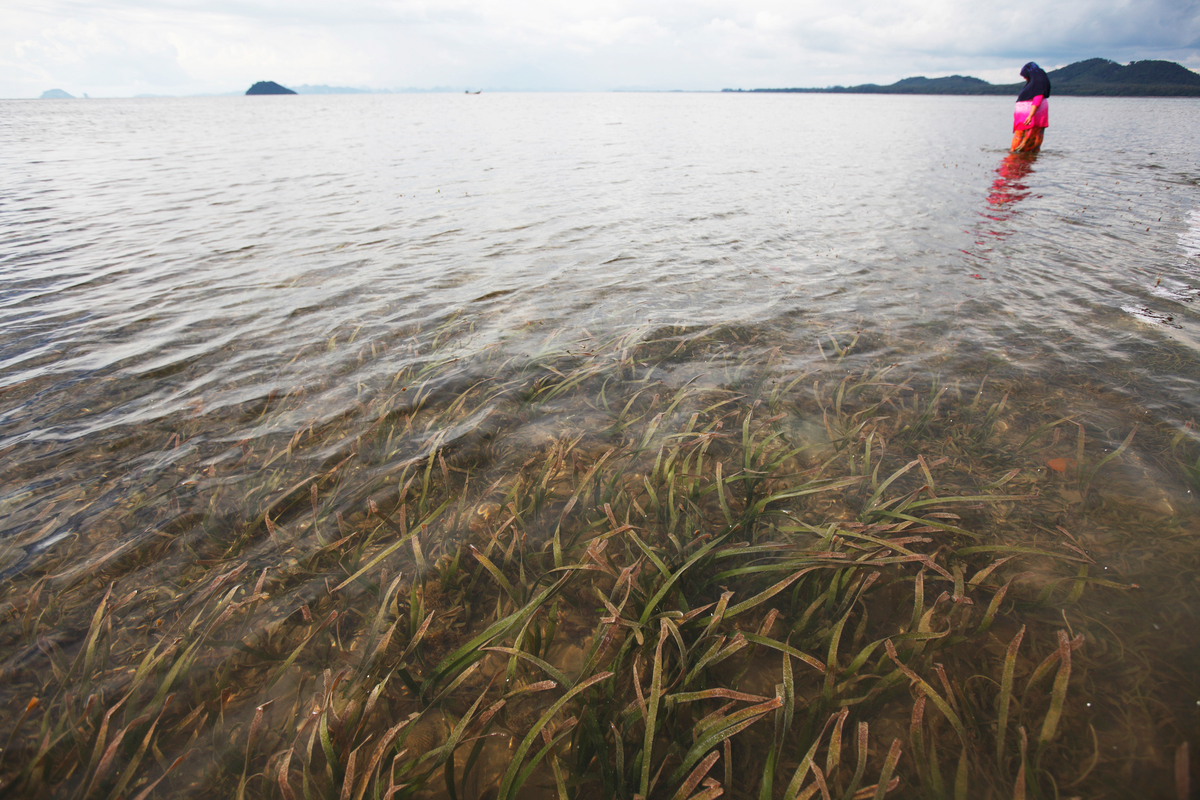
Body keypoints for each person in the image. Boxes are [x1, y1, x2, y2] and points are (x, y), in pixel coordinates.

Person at [1011, 62, 1050, 152]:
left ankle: (1015, 161)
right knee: (1027, 145)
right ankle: (1026, 160)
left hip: (1029, 120)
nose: (1024, 78)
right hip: (1028, 120)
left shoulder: (1037, 85)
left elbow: (1037, 100)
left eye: (1025, 76)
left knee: (1021, 143)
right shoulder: (1033, 85)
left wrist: (1030, 115)